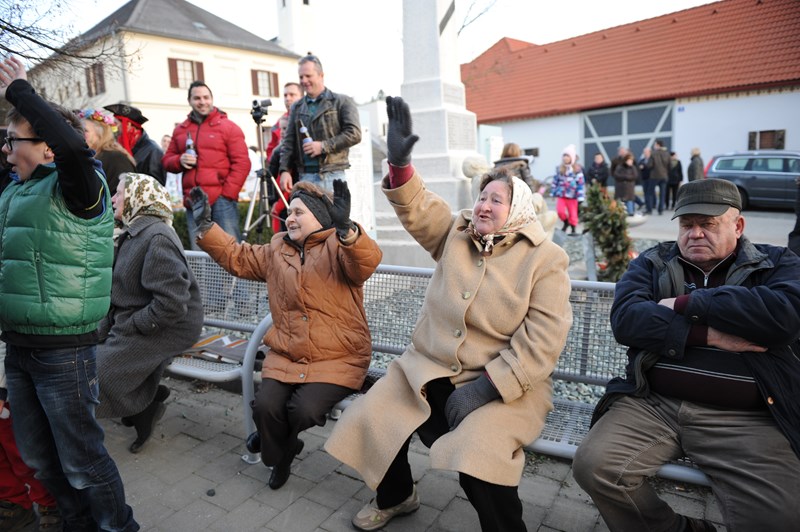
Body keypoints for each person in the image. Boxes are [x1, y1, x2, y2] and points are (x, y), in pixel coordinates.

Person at [325, 96, 573, 532]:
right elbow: (421, 211)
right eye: (481, 197)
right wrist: (400, 165)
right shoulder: (456, 233)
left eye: (496, 200)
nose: (483, 205)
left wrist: (485, 390)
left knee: (479, 458)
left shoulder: (545, 260)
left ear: (516, 211)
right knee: (374, 415)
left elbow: (543, 343)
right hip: (429, 367)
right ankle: (397, 496)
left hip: (501, 384)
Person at [573, 178, 800, 532]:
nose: (694, 233)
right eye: (687, 224)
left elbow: (784, 315)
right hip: (654, 403)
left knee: (780, 518)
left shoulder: (775, 263)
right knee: (595, 467)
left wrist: (687, 303)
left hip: (746, 417)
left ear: (737, 226)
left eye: (707, 224)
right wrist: (708, 334)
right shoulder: (654, 262)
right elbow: (627, 320)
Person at [0, 55, 138, 531]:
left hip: (64, 353)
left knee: (83, 461)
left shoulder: (80, 186)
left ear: (48, 148)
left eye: (12, 140)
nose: (5, 150)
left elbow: (76, 149)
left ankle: (119, 528)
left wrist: (22, 92)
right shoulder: (15, 191)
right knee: (42, 460)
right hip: (19, 348)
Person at [188, 177, 381, 490]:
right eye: (289, 211)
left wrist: (347, 230)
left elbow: (365, 264)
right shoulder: (277, 248)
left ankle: (271, 443)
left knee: (303, 409)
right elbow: (239, 257)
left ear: (319, 217)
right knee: (265, 407)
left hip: (339, 355)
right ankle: (282, 452)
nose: (289, 217)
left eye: (298, 212)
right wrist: (207, 226)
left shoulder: (339, 246)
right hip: (288, 352)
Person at [96, 173, 203, 454]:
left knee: (95, 375)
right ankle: (149, 399)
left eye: (119, 192)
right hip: (141, 318)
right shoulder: (132, 232)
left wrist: (131, 325)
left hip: (169, 325)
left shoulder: (156, 237)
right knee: (81, 358)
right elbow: (123, 293)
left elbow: (171, 305)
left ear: (137, 198)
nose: (114, 198)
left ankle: (144, 405)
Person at [162, 80, 250, 247]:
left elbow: (242, 163)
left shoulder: (229, 127)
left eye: (206, 97)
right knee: (201, 252)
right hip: (194, 199)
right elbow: (166, 160)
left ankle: (235, 276)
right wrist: (179, 160)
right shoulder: (180, 130)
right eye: (197, 98)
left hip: (222, 200)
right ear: (190, 101)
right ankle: (204, 275)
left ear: (212, 99)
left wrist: (228, 194)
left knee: (230, 251)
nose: (202, 102)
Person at [279, 54, 361, 194]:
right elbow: (289, 141)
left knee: (333, 217)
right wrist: (284, 170)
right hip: (305, 177)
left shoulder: (342, 101)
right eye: (301, 77)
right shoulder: (296, 107)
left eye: (308, 76)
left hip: (333, 175)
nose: (304, 81)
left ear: (321, 75)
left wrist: (323, 146)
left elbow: (354, 134)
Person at [268, 82, 304, 232]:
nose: (288, 99)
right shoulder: (279, 122)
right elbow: (271, 150)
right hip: (279, 179)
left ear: (301, 96)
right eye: (285, 95)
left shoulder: (305, 118)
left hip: (297, 180)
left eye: (292, 95)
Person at [104, 103, 166, 185]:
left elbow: (157, 185)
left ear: (128, 125)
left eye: (116, 123)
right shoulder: (120, 147)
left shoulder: (153, 150)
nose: (114, 128)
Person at [78, 107, 136, 194]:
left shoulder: (116, 158)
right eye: (79, 130)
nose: (79, 134)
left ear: (101, 134)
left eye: (85, 131)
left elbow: (125, 195)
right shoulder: (93, 156)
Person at [551, 144, 585, 235]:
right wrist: (553, 193)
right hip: (561, 195)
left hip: (572, 196)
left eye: (567, 156)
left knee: (573, 213)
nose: (565, 158)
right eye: (564, 155)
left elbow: (580, 184)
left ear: (572, 158)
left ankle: (573, 228)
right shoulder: (560, 169)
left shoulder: (577, 170)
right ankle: (566, 223)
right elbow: (555, 181)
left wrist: (580, 196)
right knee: (560, 211)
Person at [647, 139, 671, 215]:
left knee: (650, 193)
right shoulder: (667, 153)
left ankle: (649, 209)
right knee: (662, 193)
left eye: (655, 144)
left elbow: (649, 165)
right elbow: (670, 165)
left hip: (654, 176)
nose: (654, 146)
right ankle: (660, 210)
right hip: (664, 176)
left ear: (658, 145)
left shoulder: (653, 153)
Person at [639, 146, 654, 214]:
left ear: (649, 152)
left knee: (649, 194)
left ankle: (650, 208)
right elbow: (639, 166)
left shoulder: (652, 159)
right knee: (645, 194)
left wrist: (644, 166)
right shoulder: (642, 160)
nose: (644, 153)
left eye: (646, 152)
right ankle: (647, 208)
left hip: (651, 179)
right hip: (644, 179)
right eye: (644, 152)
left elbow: (650, 167)